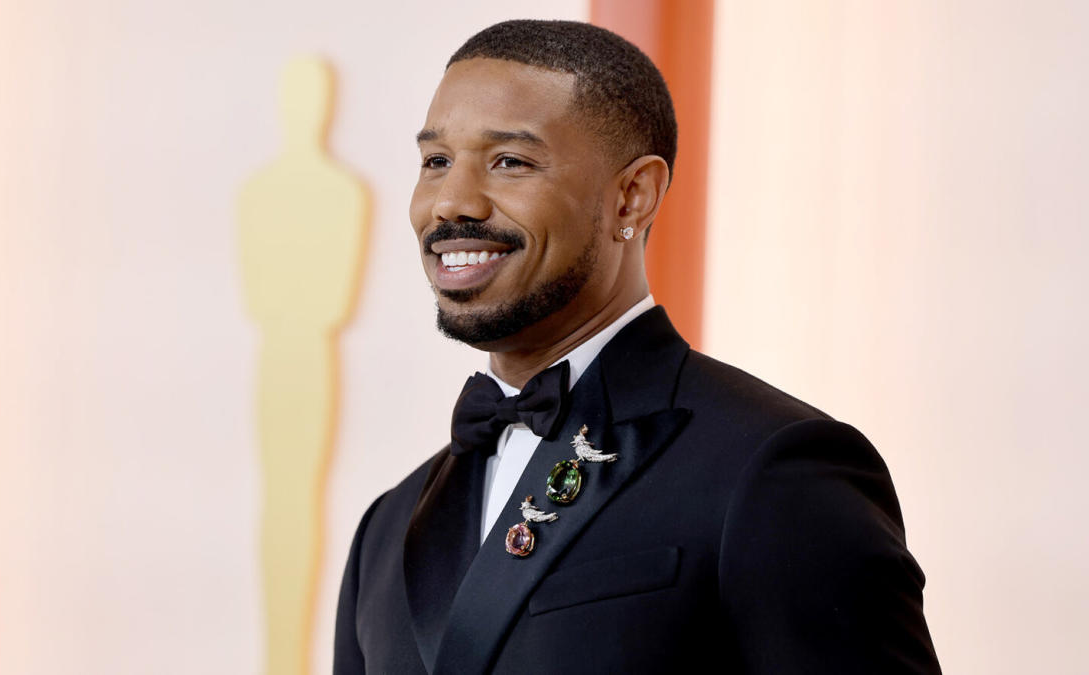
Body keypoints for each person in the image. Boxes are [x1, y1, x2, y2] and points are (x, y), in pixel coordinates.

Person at [334, 19, 940, 674]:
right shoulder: (386, 528)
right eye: (436, 162)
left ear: (632, 196)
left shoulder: (772, 467)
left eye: (509, 161)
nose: (451, 201)